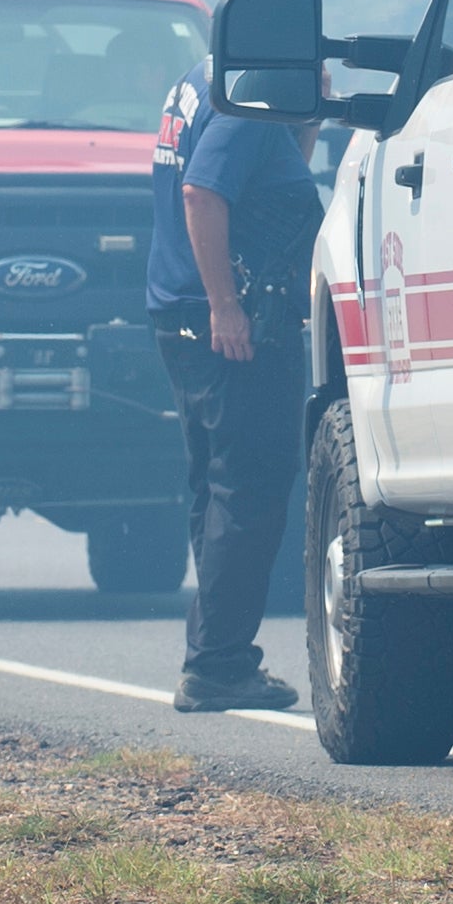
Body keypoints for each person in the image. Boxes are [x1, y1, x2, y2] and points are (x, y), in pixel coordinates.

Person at [147, 54, 321, 712]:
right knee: (249, 485)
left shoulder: (200, 77)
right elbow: (202, 190)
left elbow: (264, 169)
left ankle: (215, 650)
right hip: (232, 320)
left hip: (181, 311)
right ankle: (218, 661)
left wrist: (299, 112)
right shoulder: (249, 94)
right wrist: (226, 304)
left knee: (216, 484)